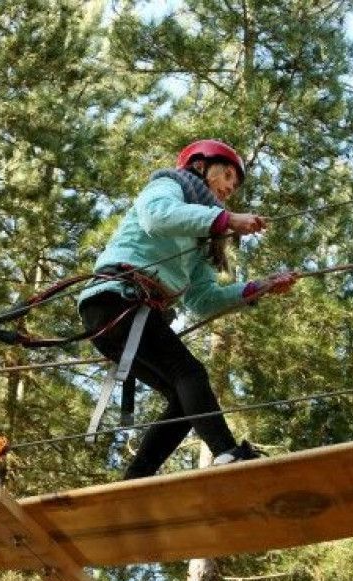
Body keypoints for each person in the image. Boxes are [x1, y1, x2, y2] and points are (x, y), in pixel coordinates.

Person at [78, 139, 297, 479]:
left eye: (233, 185)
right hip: (116, 300)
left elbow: (203, 298)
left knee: (183, 401)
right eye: (226, 176)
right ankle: (226, 452)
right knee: (190, 374)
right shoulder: (167, 185)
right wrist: (226, 220)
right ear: (199, 166)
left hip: (125, 314)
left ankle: (136, 478)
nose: (228, 187)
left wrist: (259, 287)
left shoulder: (199, 238)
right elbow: (157, 217)